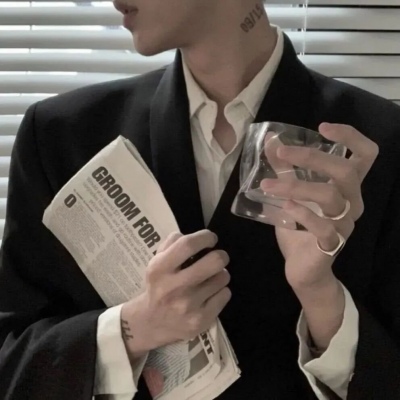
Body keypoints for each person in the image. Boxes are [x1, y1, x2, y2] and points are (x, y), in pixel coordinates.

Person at [0, 0, 400, 399]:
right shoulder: (60, 136)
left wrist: (321, 296)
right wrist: (133, 328)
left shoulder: (379, 143)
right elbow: (12, 363)